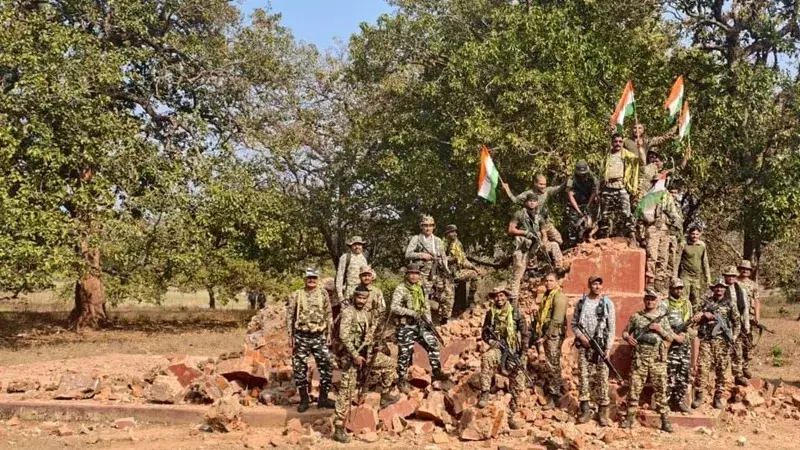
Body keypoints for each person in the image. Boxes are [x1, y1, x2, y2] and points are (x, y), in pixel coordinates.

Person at [332, 287, 398, 443]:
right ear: (354, 297)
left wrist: (375, 346)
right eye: (359, 298)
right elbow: (343, 337)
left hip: (365, 355)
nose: (361, 301)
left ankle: (385, 395)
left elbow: (367, 336)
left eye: (364, 298)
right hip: (350, 357)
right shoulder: (348, 312)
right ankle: (338, 428)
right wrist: (355, 355)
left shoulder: (365, 313)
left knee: (389, 364)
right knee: (346, 392)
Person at [620, 289, 675, 432]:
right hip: (640, 360)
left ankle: (665, 420)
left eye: (652, 299)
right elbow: (625, 332)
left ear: (657, 301)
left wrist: (659, 330)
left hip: (657, 360)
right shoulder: (637, 317)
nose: (650, 301)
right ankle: (629, 418)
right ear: (644, 300)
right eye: (647, 299)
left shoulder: (662, 318)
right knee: (634, 389)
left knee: (661, 390)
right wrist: (628, 338)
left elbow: (671, 337)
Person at [476, 285, 529, 430]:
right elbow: (484, 333)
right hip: (499, 348)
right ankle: (485, 392)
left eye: (501, 295)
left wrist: (523, 354)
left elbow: (525, 335)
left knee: (518, 383)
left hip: (515, 350)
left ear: (506, 297)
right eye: (496, 296)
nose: (499, 299)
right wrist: (491, 341)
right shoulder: (491, 313)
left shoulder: (516, 313)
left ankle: (512, 415)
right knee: (487, 358)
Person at [391, 263, 449, 394]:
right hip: (406, 326)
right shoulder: (401, 289)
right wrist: (411, 312)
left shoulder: (420, 287)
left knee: (433, 345)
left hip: (421, 324)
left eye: (416, 274)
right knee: (404, 354)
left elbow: (425, 304)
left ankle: (437, 372)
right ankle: (401, 379)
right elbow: (394, 307)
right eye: (411, 273)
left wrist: (428, 321)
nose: (414, 276)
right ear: (407, 275)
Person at [286, 268, 335, 412]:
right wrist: (290, 336)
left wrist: (329, 334)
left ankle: (323, 399)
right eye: (309, 278)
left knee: (326, 366)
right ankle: (304, 400)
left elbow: (329, 314)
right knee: (299, 368)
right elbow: (290, 316)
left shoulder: (323, 293)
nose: (311, 280)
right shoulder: (297, 294)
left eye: (314, 277)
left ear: (317, 279)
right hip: (302, 336)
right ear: (305, 279)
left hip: (319, 336)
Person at [571, 276, 616, 426]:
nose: (597, 286)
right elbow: (574, 324)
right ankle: (585, 410)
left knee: (602, 377)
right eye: (594, 284)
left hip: (601, 346)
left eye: (599, 284)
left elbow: (612, 328)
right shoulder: (581, 303)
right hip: (585, 346)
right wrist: (581, 337)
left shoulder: (607, 303)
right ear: (589, 285)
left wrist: (608, 348)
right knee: (584, 377)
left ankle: (602, 412)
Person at [692, 278, 741, 409]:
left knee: (722, 370)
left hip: (723, 341)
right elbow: (695, 318)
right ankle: (699, 396)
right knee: (702, 368)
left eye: (721, 287)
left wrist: (734, 336)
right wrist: (704, 314)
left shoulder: (730, 304)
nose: (719, 289)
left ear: (725, 289)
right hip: (707, 340)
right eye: (717, 287)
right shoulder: (706, 303)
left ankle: (717, 398)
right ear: (713, 288)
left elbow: (737, 323)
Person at [508, 193, 562, 299]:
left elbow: (544, 234)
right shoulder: (519, 214)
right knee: (517, 273)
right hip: (523, 249)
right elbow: (511, 230)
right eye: (530, 201)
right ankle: (514, 299)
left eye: (534, 201)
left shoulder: (539, 217)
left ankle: (558, 271)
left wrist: (544, 243)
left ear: (537, 203)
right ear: (526, 202)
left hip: (536, 247)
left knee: (554, 245)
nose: (532, 203)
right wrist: (525, 233)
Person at [638, 173, 683, 294]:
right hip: (652, 228)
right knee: (652, 256)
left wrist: (676, 220)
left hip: (665, 229)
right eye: (656, 182)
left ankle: (659, 282)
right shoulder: (648, 196)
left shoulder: (667, 196)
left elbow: (673, 212)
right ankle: (650, 282)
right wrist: (642, 233)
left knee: (663, 257)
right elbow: (642, 216)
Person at [405, 216, 454, 323]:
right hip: (423, 273)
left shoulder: (438, 240)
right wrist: (421, 255)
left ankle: (444, 319)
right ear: (421, 227)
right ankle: (428, 323)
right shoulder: (417, 239)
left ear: (434, 227)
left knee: (447, 294)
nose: (428, 228)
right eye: (425, 226)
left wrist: (446, 269)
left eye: (430, 226)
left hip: (438, 272)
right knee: (423, 297)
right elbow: (408, 254)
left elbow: (443, 256)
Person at [502, 174, 565, 257]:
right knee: (536, 243)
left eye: (544, 184)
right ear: (535, 183)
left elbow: (559, 188)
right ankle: (534, 257)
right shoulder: (528, 194)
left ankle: (551, 253)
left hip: (545, 223)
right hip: (534, 225)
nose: (543, 186)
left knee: (559, 240)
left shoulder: (547, 191)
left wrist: (567, 181)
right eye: (541, 184)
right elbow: (515, 200)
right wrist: (507, 190)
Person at [534, 272, 568, 409]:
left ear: (557, 282)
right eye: (546, 281)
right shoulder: (547, 296)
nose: (548, 283)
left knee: (553, 364)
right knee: (551, 363)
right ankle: (555, 390)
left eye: (551, 280)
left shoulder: (559, 297)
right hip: (547, 334)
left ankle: (554, 396)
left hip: (553, 335)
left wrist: (545, 337)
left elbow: (556, 320)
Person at [600, 133, 638, 245]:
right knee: (605, 214)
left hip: (621, 187)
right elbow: (602, 172)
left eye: (620, 141)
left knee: (626, 213)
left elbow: (638, 164)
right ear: (612, 142)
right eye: (615, 141)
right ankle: (605, 236)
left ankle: (632, 236)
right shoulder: (607, 155)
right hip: (608, 187)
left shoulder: (628, 156)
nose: (618, 144)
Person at [664, 278, 693, 412]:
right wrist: (673, 336)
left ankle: (679, 401)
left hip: (684, 345)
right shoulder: (664, 304)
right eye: (676, 288)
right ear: (671, 289)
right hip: (671, 345)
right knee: (670, 372)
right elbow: (661, 324)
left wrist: (688, 334)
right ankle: (666, 402)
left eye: (681, 288)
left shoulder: (687, 303)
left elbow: (690, 324)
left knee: (684, 373)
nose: (679, 290)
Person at [723, 265, 750, 386]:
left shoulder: (740, 289)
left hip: (737, 324)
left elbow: (745, 308)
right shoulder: (719, 287)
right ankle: (721, 377)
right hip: (723, 324)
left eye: (733, 276)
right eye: (729, 276)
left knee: (738, 350)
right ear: (725, 276)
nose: (731, 278)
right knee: (722, 351)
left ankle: (738, 375)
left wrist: (746, 324)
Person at [565, 160, 599, 247]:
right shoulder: (571, 179)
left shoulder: (592, 178)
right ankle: (574, 245)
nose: (582, 175)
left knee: (590, 223)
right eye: (580, 174)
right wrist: (578, 210)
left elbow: (594, 191)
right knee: (574, 226)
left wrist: (588, 205)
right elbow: (570, 195)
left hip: (587, 202)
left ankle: (589, 239)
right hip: (574, 204)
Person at [444, 224, 479, 307]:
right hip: (445, 274)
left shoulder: (458, 244)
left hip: (457, 272)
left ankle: (470, 299)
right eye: (452, 232)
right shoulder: (443, 244)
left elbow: (463, 260)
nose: (454, 234)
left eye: (455, 232)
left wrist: (474, 267)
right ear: (447, 234)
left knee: (474, 274)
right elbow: (440, 259)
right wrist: (451, 259)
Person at [677, 226, 711, 310]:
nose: (695, 236)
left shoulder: (702, 245)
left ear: (699, 235)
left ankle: (695, 316)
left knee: (696, 300)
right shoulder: (684, 244)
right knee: (684, 298)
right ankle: (684, 316)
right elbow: (677, 261)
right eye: (693, 234)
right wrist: (674, 276)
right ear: (689, 234)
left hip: (696, 277)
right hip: (685, 276)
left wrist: (708, 279)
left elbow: (705, 263)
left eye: (697, 234)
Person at [737, 259, 760, 380]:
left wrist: (757, 317)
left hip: (748, 317)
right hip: (735, 316)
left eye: (747, 269)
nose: (745, 271)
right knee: (735, 342)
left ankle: (745, 367)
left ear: (750, 271)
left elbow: (757, 301)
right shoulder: (734, 282)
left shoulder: (753, 285)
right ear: (739, 269)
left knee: (747, 342)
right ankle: (736, 369)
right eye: (743, 268)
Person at [336, 236, 369, 305]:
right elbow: (340, 276)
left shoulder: (364, 259)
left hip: (361, 294)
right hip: (348, 294)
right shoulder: (345, 257)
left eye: (359, 244)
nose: (357, 247)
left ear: (362, 246)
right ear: (351, 246)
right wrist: (340, 295)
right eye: (355, 245)